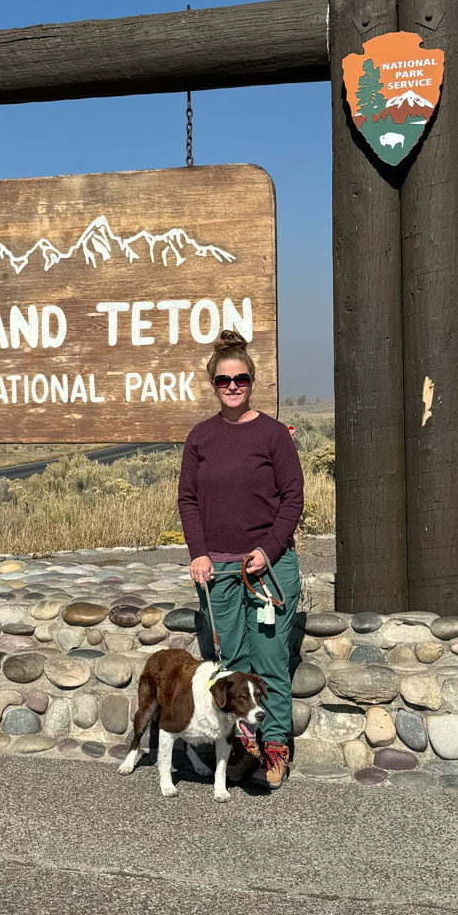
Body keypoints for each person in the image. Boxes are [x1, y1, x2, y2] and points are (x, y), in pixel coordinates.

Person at [177, 330, 304, 788]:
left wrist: (267, 549)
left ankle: (274, 748)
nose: (233, 386)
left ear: (252, 381)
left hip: (266, 569)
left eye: (241, 379)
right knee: (231, 662)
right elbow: (188, 501)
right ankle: (243, 749)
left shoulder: (272, 434)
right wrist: (199, 554)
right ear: (213, 384)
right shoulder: (201, 437)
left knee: (269, 661)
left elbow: (293, 498)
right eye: (224, 381)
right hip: (219, 571)